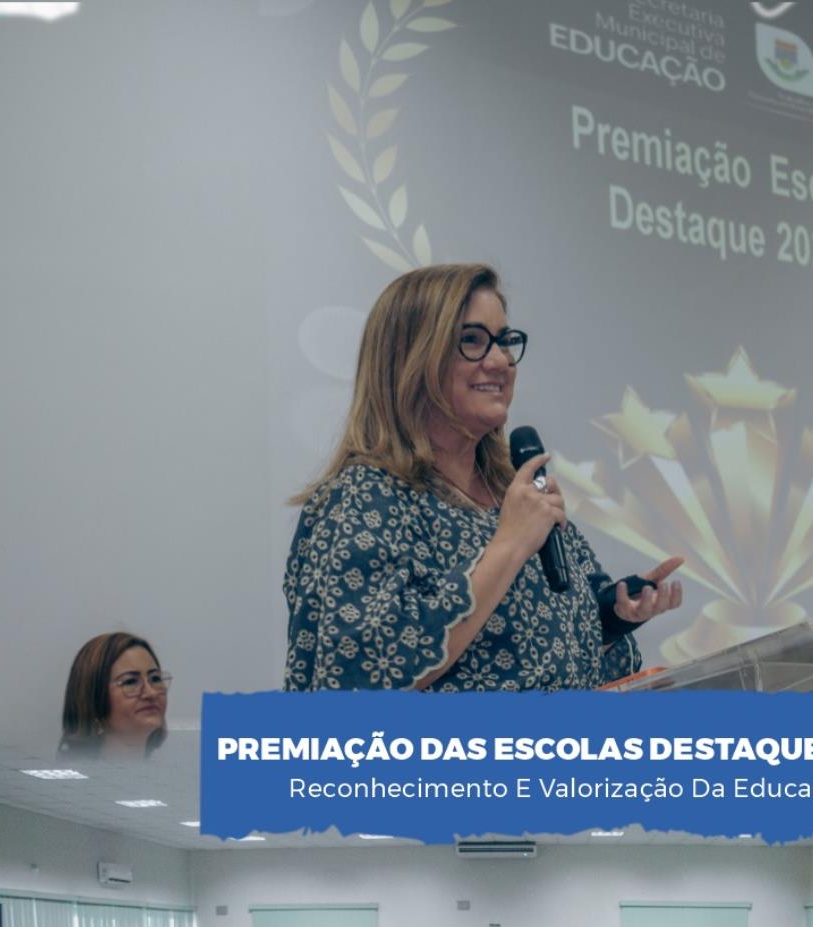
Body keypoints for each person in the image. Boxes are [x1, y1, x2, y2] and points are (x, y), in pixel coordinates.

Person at [283, 263, 682, 692]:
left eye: (505, 341)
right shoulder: (363, 497)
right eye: (472, 340)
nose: (501, 361)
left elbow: (545, 658)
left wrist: (612, 617)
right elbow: (365, 671)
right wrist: (510, 544)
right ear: (411, 358)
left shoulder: (513, 494)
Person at [58, 632, 169, 758]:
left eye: (155, 679)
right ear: (93, 702)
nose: (151, 693)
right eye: (130, 681)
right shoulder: (75, 770)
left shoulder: (173, 767)